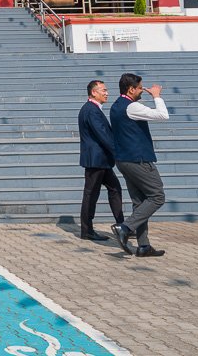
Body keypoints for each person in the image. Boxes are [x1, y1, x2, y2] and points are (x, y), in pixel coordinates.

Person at [110, 73, 169, 258]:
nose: (142, 90)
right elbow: (162, 115)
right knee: (157, 196)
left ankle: (144, 246)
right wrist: (157, 95)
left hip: (123, 160)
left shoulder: (115, 106)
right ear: (131, 89)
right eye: (140, 88)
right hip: (138, 160)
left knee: (140, 202)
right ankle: (125, 227)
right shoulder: (132, 106)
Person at [78, 80, 124, 242]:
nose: (107, 93)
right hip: (96, 160)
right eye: (103, 90)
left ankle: (122, 225)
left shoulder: (93, 109)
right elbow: (103, 134)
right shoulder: (91, 110)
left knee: (114, 189)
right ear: (93, 93)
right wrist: (119, 152)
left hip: (101, 160)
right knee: (91, 195)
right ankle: (87, 230)